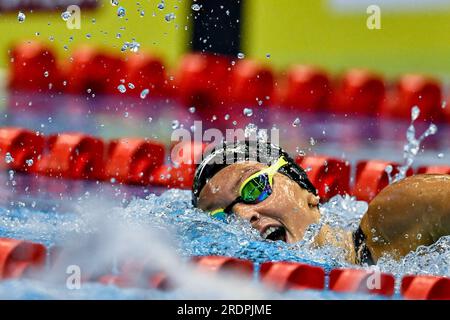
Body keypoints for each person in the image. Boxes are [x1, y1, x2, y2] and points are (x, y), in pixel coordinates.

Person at [191, 140, 450, 265]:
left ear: (309, 193)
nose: (244, 216)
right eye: (222, 217)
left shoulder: (394, 217)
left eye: (254, 187)